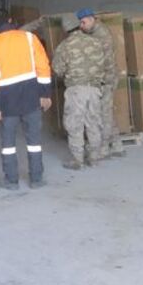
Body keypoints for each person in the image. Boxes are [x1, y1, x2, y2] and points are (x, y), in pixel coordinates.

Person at [0, 8, 52, 190]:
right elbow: (43, 67)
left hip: (7, 102)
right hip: (31, 98)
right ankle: (36, 179)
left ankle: (11, 181)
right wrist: (45, 94)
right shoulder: (29, 38)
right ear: (11, 20)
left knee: (8, 144)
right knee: (34, 141)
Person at [52, 13, 114, 169]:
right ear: (79, 25)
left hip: (76, 90)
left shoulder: (64, 46)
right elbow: (105, 64)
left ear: (66, 29)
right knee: (94, 122)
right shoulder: (96, 43)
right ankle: (94, 157)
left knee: (75, 124)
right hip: (95, 89)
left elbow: (57, 70)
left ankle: (77, 160)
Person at [75, 8, 125, 158]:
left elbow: (98, 60)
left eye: (83, 22)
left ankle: (103, 147)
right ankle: (117, 144)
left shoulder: (100, 35)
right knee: (106, 111)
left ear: (91, 19)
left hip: (105, 79)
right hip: (105, 78)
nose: (81, 26)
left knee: (102, 114)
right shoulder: (95, 32)